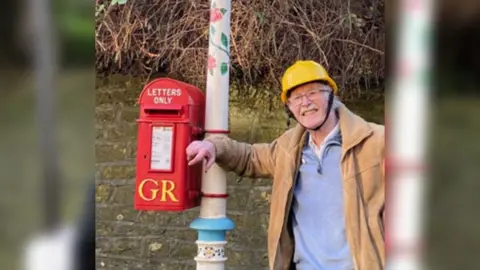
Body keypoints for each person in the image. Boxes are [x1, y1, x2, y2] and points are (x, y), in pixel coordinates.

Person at [186, 60, 385, 270]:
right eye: (296, 98)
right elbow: (250, 157)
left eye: (313, 92)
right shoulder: (288, 148)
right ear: (289, 107)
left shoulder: (376, 141)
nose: (305, 103)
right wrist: (213, 146)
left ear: (331, 95)